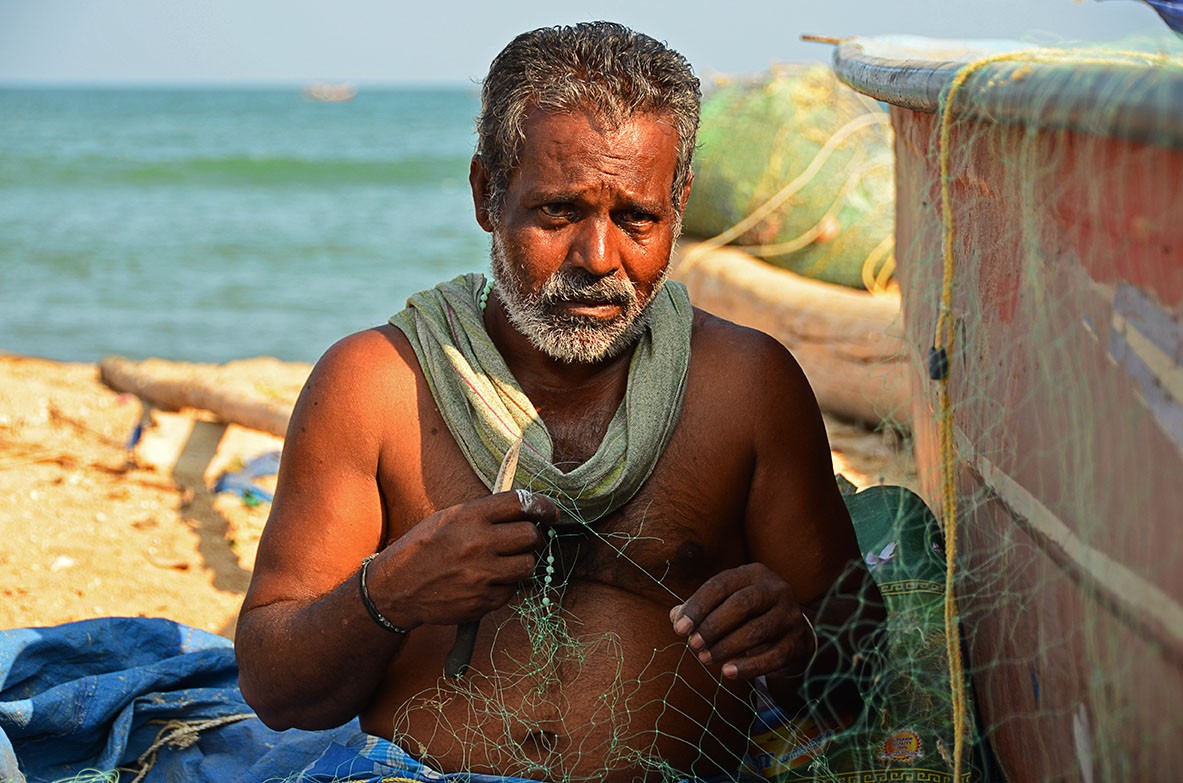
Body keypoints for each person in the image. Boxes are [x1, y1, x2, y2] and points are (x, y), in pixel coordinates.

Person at [235, 21, 884, 782]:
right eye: (557, 212)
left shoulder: (745, 387)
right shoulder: (373, 384)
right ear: (486, 194)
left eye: (636, 218)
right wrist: (390, 593)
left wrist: (792, 636)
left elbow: (856, 667)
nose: (598, 258)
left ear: (678, 207)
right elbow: (275, 690)